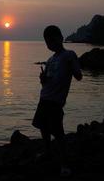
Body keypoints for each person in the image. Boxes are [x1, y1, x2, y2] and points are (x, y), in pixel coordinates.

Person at [32, 25, 82, 176]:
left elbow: (79, 76)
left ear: (60, 38)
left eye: (52, 40)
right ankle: (48, 152)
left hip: (56, 101)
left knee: (58, 133)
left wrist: (71, 68)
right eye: (47, 42)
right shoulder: (50, 59)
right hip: (44, 98)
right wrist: (43, 79)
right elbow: (46, 82)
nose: (50, 44)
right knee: (43, 127)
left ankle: (65, 164)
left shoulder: (69, 55)